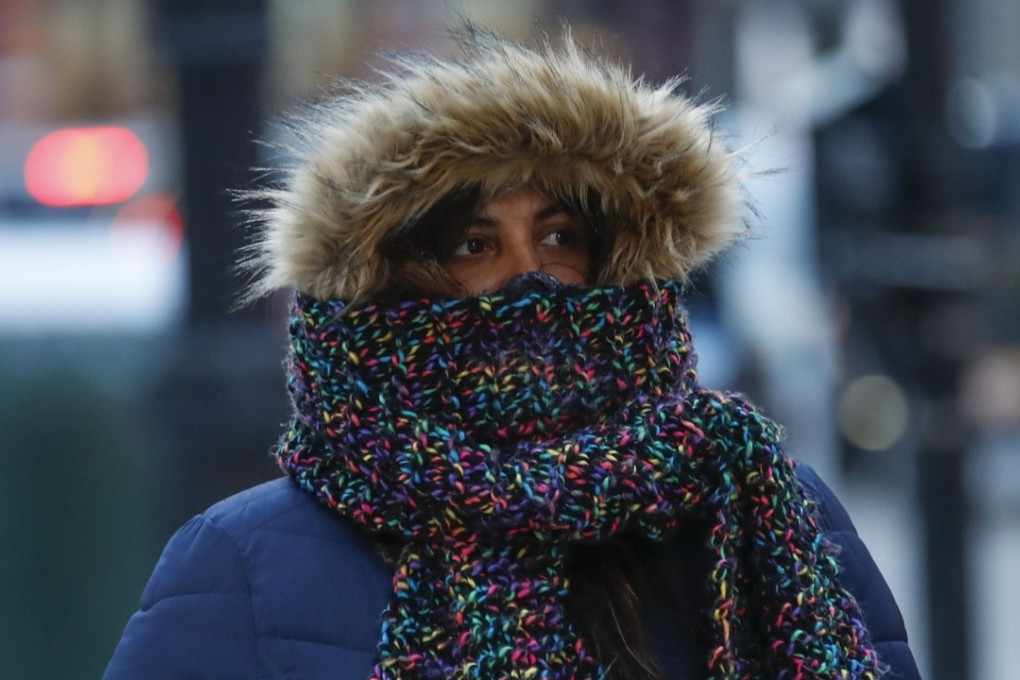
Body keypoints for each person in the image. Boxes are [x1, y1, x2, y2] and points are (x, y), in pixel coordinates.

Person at [104, 28, 921, 679]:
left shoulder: (759, 511)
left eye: (561, 236)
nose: (529, 277)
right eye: (471, 244)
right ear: (391, 286)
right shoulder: (247, 562)